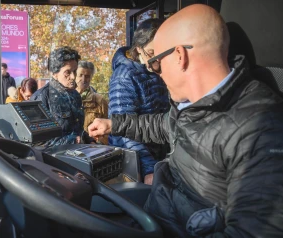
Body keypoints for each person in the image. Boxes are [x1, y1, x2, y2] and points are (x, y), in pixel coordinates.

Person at [88, 4, 283, 237]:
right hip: (156, 213)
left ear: (180, 56)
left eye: (156, 62)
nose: (155, 72)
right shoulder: (195, 104)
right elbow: (162, 125)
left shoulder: (260, 128)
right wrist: (114, 124)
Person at [108, 18, 170, 185]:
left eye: (160, 54)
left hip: (162, 159)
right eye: (151, 53)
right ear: (138, 48)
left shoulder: (157, 69)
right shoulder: (124, 76)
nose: (155, 61)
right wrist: (149, 169)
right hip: (138, 165)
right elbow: (124, 130)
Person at [30, 46, 84, 146]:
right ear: (54, 73)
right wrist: (74, 140)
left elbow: (78, 130)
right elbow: (38, 142)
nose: (73, 77)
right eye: (67, 72)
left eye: (75, 71)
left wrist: (87, 138)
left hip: (77, 154)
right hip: (53, 159)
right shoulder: (41, 98)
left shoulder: (75, 95)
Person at [75, 61, 108, 144]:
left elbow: (107, 131)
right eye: (80, 75)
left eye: (87, 76)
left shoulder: (100, 101)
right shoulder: (65, 99)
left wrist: (98, 144)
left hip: (93, 147)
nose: (83, 79)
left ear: (91, 77)